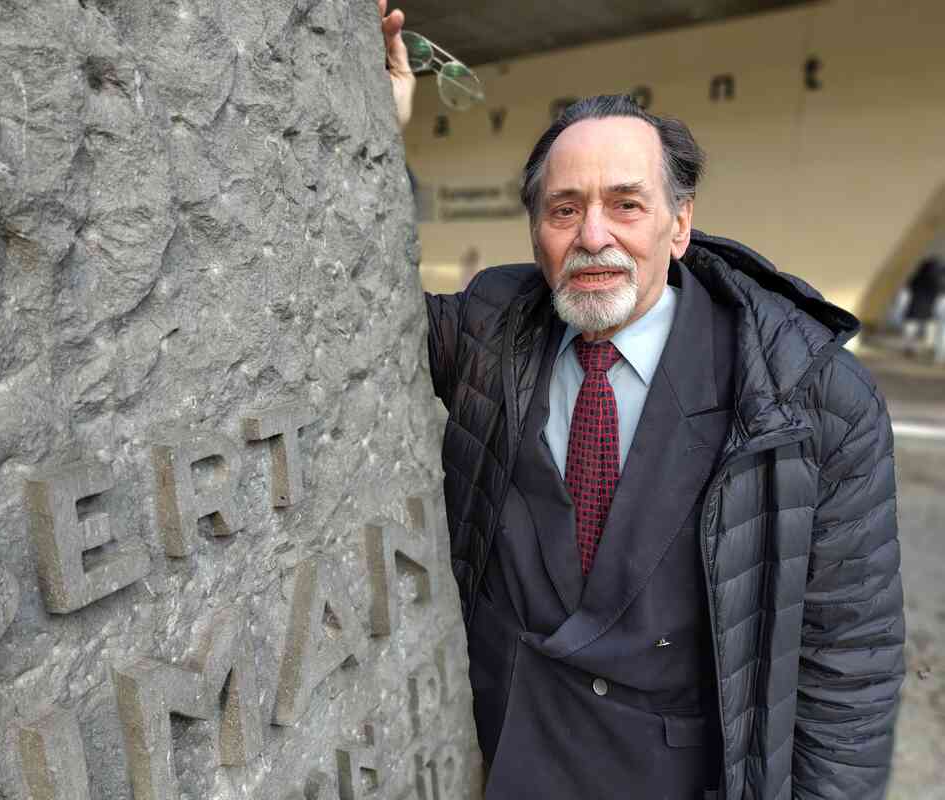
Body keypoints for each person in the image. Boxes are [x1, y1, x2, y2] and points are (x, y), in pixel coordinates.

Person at [379, 5, 906, 799]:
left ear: (679, 224)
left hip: (683, 773)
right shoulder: (490, 326)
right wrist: (373, 140)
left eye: (625, 204)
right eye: (563, 209)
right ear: (534, 231)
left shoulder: (809, 393)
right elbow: (351, 317)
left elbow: (849, 656)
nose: (593, 236)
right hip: (505, 752)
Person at [901, 255, 945, 357]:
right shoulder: (936, 280)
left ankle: (910, 347)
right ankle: (928, 348)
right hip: (928, 308)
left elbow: (910, 287)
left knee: (912, 327)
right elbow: (940, 291)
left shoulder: (917, 277)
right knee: (928, 329)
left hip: (915, 306)